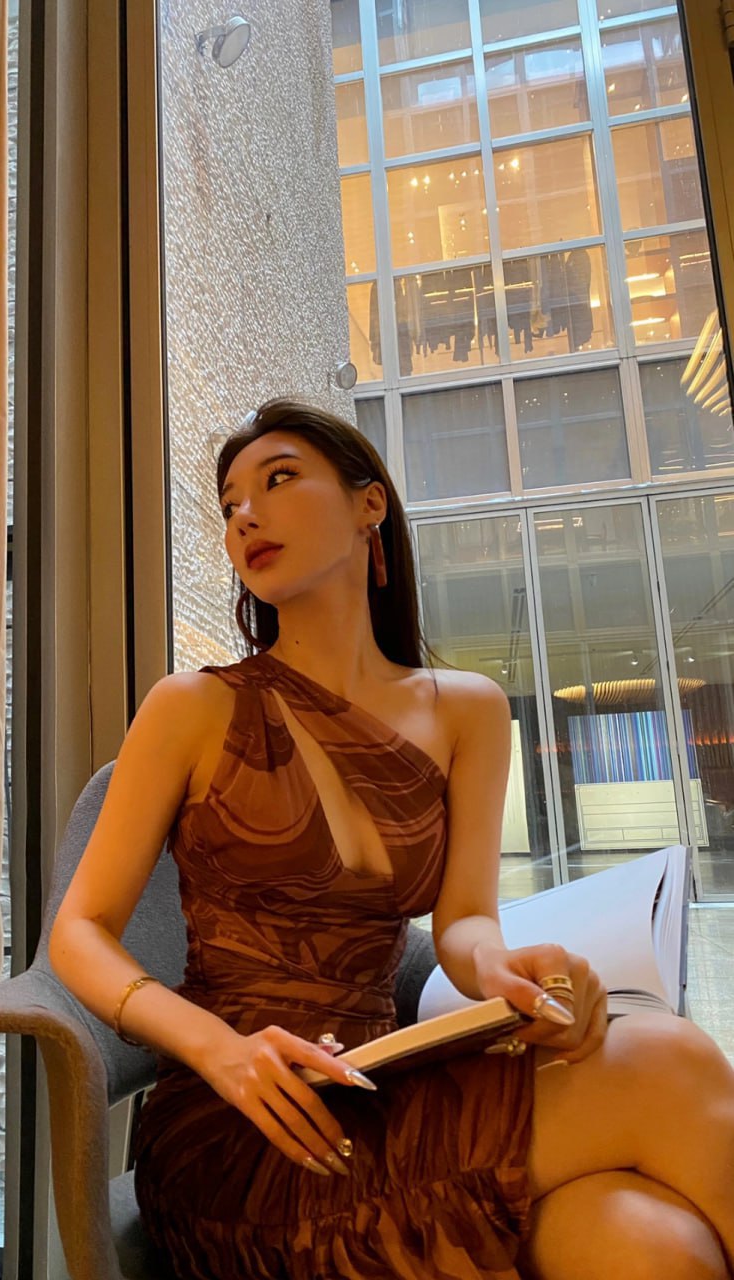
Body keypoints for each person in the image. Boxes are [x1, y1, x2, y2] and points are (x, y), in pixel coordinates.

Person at [49, 398, 734, 1280]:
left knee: (648, 1244)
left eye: (278, 479)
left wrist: (507, 971)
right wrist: (218, 1047)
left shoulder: (468, 711)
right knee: (667, 1058)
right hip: (246, 1129)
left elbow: (464, 924)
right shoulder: (191, 706)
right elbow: (79, 931)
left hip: (385, 1090)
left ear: (368, 503)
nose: (245, 515)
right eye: (228, 505)